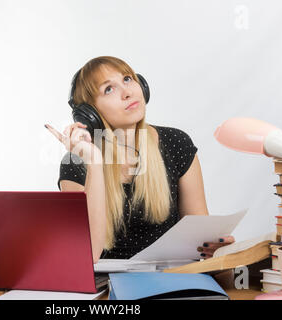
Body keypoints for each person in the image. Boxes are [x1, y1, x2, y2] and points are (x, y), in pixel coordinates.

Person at [45, 56, 234, 263]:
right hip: (107, 289)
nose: (127, 92)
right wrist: (94, 161)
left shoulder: (176, 144)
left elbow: (201, 238)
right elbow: (86, 254)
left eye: (127, 79)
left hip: (171, 280)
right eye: (109, 89)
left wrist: (216, 249)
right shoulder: (76, 163)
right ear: (90, 114)